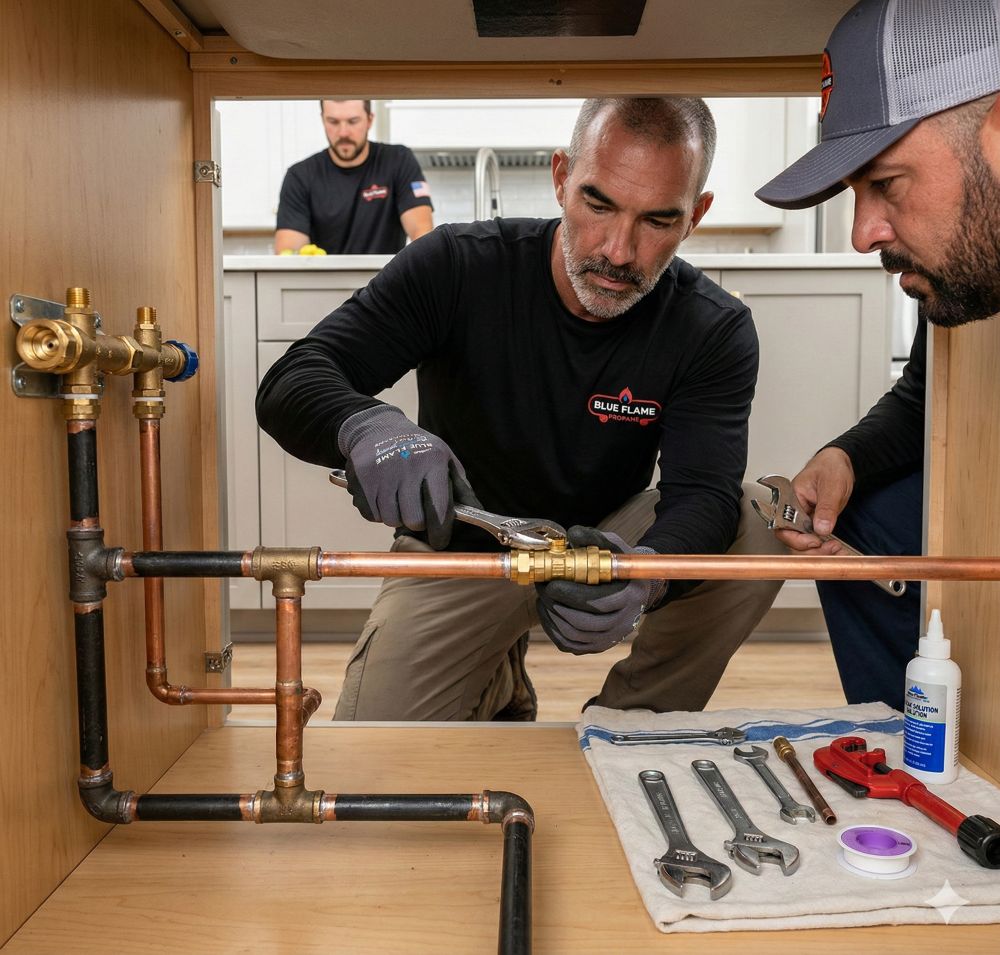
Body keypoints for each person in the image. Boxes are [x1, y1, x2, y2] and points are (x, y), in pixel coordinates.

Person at [257, 97, 785, 721]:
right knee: (375, 750)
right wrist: (370, 428)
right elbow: (292, 379)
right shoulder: (457, 265)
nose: (619, 251)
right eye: (598, 205)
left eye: (658, 221)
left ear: (695, 216)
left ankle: (634, 725)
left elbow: (702, 492)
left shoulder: (711, 326)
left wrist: (647, 575)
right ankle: (495, 677)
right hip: (467, 547)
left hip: (609, 543)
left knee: (760, 518)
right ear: (561, 178)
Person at [755, 0, 1000, 709]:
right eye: (855, 192)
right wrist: (848, 458)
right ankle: (915, 753)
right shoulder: (965, 277)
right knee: (867, 521)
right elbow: (925, 393)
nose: (863, 233)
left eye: (886, 183)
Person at [275, 99, 434, 255]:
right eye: (333, 122)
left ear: (369, 120)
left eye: (353, 121)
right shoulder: (300, 176)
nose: (343, 133)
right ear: (323, 120)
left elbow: (422, 233)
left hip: (389, 273)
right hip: (325, 274)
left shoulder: (398, 160)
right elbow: (289, 253)